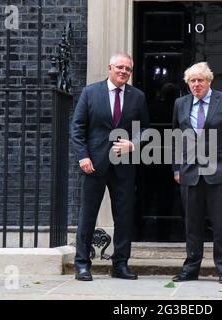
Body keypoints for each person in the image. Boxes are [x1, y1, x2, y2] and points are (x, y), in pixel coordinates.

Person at [71, 53, 149, 281]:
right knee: (88, 215)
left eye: (128, 69)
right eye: (120, 67)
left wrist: (133, 144)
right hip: (93, 164)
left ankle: (121, 264)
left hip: (123, 165)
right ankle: (82, 264)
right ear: (109, 68)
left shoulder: (138, 96)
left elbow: (145, 128)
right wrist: (82, 157)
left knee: (124, 216)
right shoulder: (90, 92)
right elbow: (77, 127)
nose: (124, 72)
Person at [172, 62, 222, 284]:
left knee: (220, 223)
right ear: (187, 84)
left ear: (209, 81)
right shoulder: (180, 104)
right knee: (192, 225)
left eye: (200, 80)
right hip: (190, 171)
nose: (196, 84)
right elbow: (177, 137)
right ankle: (191, 268)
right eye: (192, 81)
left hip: (220, 169)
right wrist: (176, 167)